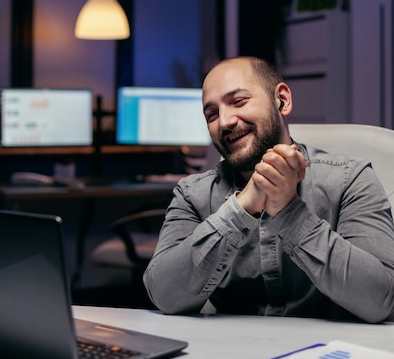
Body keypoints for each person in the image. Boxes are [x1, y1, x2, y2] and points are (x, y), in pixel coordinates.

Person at [143, 56, 394, 322]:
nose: (225, 122)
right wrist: (240, 209)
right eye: (212, 114)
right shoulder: (192, 194)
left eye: (238, 101)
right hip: (226, 355)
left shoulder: (350, 180)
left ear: (282, 100)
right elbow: (164, 295)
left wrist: (290, 212)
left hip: (329, 356)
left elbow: (380, 302)